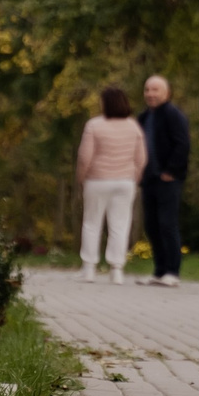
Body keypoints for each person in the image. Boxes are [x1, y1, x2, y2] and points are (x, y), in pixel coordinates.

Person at [76, 85, 147, 284]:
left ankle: (89, 268)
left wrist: (81, 178)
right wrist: (135, 177)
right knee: (120, 225)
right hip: (125, 182)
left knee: (92, 223)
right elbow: (141, 158)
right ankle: (117, 270)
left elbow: (85, 157)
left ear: (106, 103)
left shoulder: (94, 125)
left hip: (97, 180)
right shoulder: (133, 126)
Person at [139, 74, 191, 288]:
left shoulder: (173, 115)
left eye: (155, 90)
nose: (150, 94)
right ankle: (159, 271)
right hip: (148, 178)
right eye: (147, 90)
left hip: (168, 179)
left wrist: (171, 171)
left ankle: (172, 271)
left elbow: (182, 144)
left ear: (166, 93)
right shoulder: (143, 117)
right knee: (151, 225)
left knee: (167, 223)